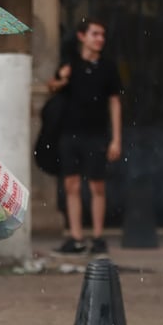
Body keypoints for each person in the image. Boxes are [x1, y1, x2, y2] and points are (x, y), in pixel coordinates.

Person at [47, 18, 123, 256]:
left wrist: (116, 139)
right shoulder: (70, 64)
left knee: (97, 186)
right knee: (71, 185)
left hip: (96, 135)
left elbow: (115, 102)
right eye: (95, 34)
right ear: (82, 36)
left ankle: (98, 237)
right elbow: (52, 87)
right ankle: (76, 237)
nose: (99, 39)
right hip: (70, 133)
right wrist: (62, 78)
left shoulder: (108, 68)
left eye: (102, 35)